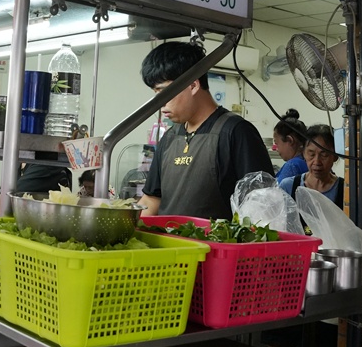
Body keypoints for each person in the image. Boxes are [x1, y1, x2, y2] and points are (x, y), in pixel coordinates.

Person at [138, 41, 273, 220]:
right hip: (169, 246)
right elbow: (152, 198)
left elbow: (263, 206)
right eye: (156, 94)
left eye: (164, 93)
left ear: (193, 85)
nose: (160, 104)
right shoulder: (170, 137)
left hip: (215, 246)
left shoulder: (236, 132)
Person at [278, 124, 344, 207]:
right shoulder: (288, 187)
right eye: (311, 154)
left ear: (335, 156)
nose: (317, 162)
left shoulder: (345, 190)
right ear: (303, 154)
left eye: (324, 155)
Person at [273, 109, 308, 182]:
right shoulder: (308, 162)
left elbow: (278, 192)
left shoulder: (292, 166)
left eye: (277, 143)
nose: (276, 149)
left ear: (290, 140)